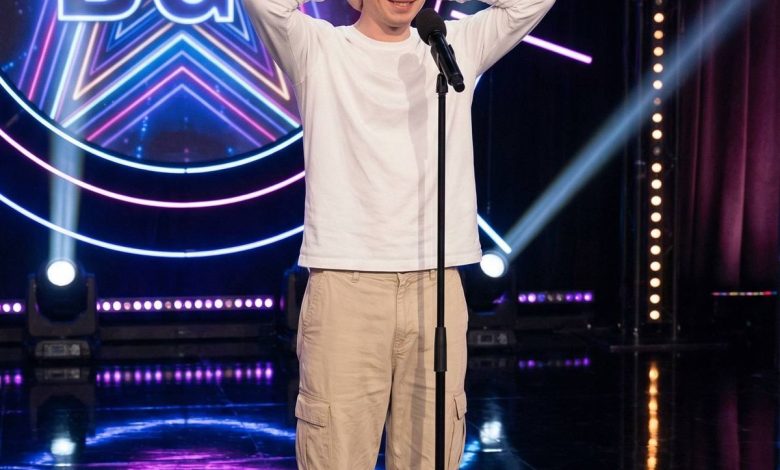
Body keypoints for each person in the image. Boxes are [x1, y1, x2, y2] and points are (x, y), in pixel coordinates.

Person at [243, 0, 555, 467]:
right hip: (347, 285)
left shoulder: (454, 43)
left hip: (435, 285)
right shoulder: (319, 47)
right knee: (336, 453)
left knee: (431, 454)